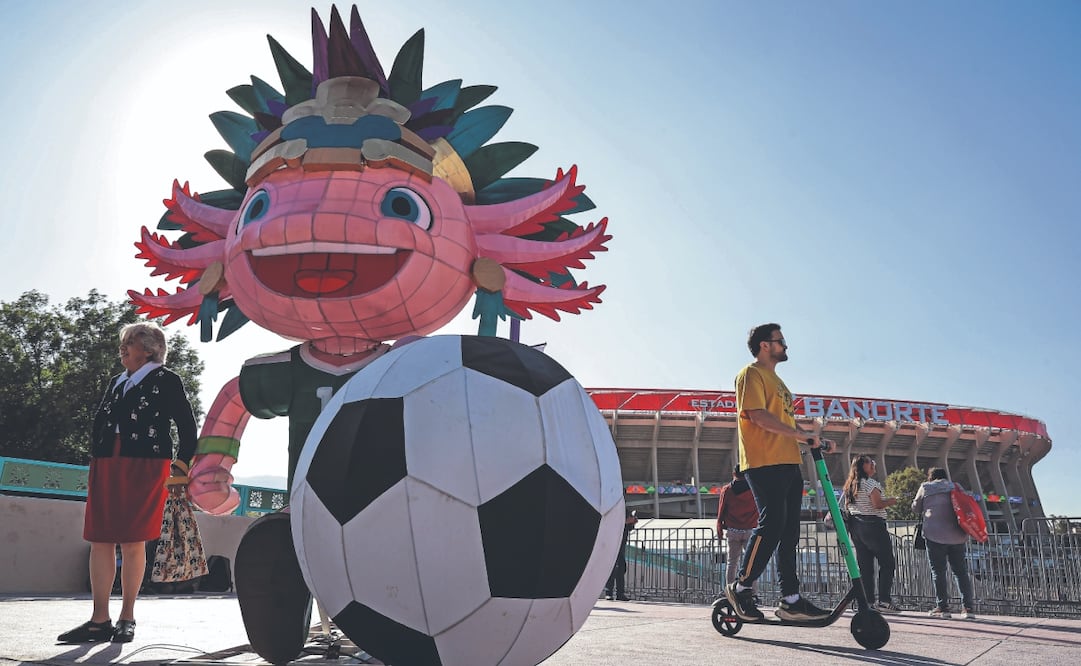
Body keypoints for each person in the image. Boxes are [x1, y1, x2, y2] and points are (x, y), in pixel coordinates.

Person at [58, 322, 197, 644]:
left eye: (132, 341)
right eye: (124, 342)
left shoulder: (166, 379)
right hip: (107, 461)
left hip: (147, 463)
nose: (124, 347)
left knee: (133, 540)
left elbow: (187, 427)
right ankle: (99, 619)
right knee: (99, 538)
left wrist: (180, 466)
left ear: (150, 348)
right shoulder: (116, 382)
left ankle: (127, 617)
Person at [725, 323, 835, 622]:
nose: (785, 346)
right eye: (780, 341)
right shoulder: (751, 374)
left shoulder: (780, 383)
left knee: (789, 534)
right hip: (764, 462)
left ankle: (791, 599)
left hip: (788, 462)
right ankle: (742, 586)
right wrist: (801, 436)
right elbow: (757, 416)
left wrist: (812, 437)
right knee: (771, 525)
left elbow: (788, 422)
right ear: (764, 345)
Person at [912, 468, 976, 620]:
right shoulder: (956, 486)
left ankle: (943, 607)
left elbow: (915, 508)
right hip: (957, 535)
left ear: (931, 477)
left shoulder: (926, 487)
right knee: (961, 572)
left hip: (934, 535)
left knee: (938, 572)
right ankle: (968, 608)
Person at [842, 455, 900, 613]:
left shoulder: (850, 485)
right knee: (887, 563)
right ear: (862, 466)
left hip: (856, 527)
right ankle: (884, 600)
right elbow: (877, 504)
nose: (873, 464)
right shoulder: (870, 483)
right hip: (873, 525)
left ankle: (867, 601)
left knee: (865, 567)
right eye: (869, 462)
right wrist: (891, 501)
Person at [717, 465, 759, 588]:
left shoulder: (727, 490)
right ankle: (752, 592)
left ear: (734, 474)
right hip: (751, 530)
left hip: (733, 531)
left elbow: (721, 510)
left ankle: (730, 590)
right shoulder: (754, 489)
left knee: (732, 563)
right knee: (751, 564)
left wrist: (719, 528)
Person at [605, 509, 638, 601]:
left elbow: (629, 527)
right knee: (612, 568)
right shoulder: (615, 510)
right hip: (612, 543)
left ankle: (620, 593)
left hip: (621, 544)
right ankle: (609, 592)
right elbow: (612, 523)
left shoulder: (625, 510)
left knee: (621, 568)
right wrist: (626, 521)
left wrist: (632, 522)